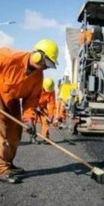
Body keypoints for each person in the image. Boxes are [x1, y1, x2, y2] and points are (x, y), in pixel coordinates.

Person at [0, 39, 59, 183]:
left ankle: (8, 163)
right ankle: (1, 169)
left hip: (12, 101)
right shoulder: (8, 57)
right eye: (47, 64)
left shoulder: (38, 76)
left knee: (15, 135)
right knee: (1, 135)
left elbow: (31, 100)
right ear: (38, 55)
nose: (46, 68)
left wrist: (29, 120)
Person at [33, 78, 56, 144]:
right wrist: (35, 105)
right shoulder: (36, 87)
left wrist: (51, 115)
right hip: (33, 106)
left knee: (46, 121)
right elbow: (32, 97)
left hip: (42, 107)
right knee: (33, 122)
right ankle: (33, 137)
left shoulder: (51, 90)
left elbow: (52, 103)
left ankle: (45, 138)